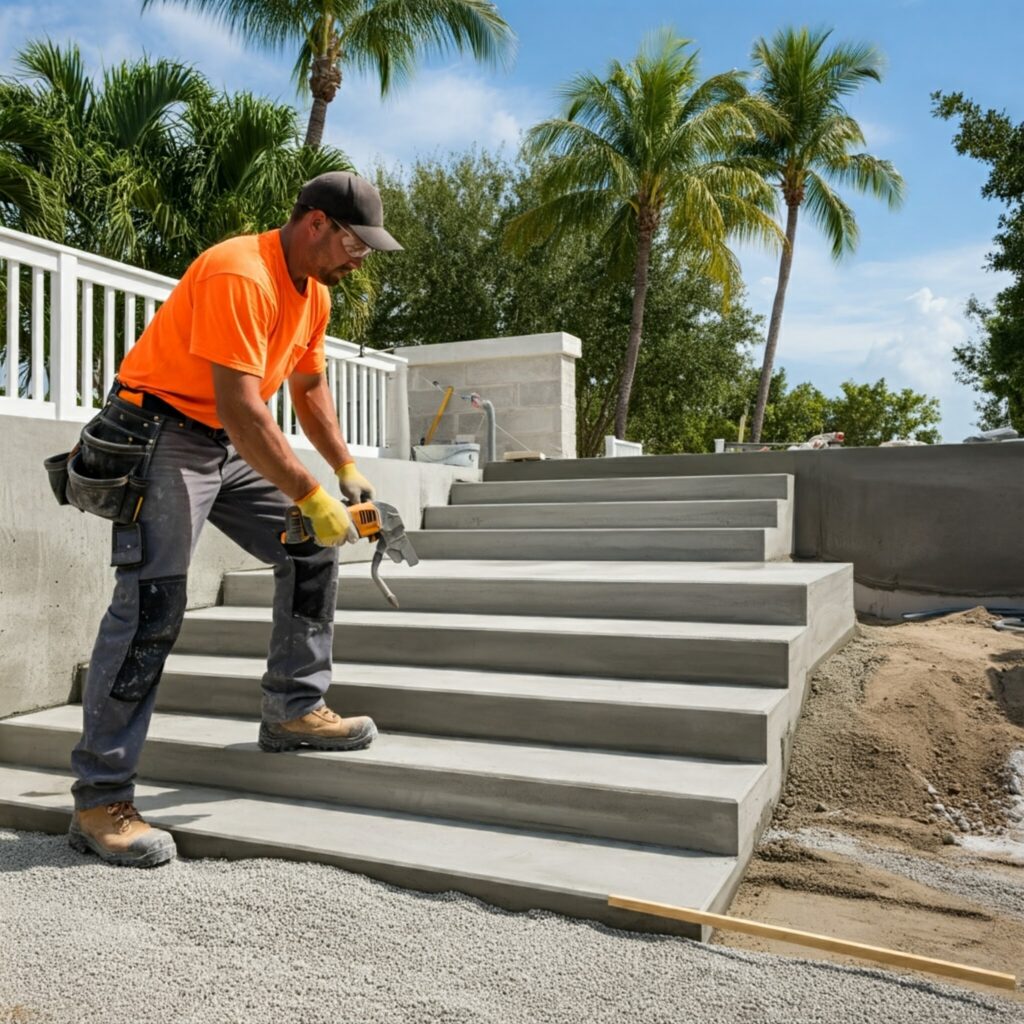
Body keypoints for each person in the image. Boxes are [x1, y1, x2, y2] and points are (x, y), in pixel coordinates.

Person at [65, 171, 402, 869]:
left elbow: (308, 388)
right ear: (315, 224)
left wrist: (345, 470)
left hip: (219, 442)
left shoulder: (313, 296)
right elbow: (248, 411)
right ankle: (101, 797)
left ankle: (293, 708)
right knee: (152, 604)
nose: (359, 258)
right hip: (160, 435)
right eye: (354, 243)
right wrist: (310, 495)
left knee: (309, 550)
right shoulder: (239, 273)